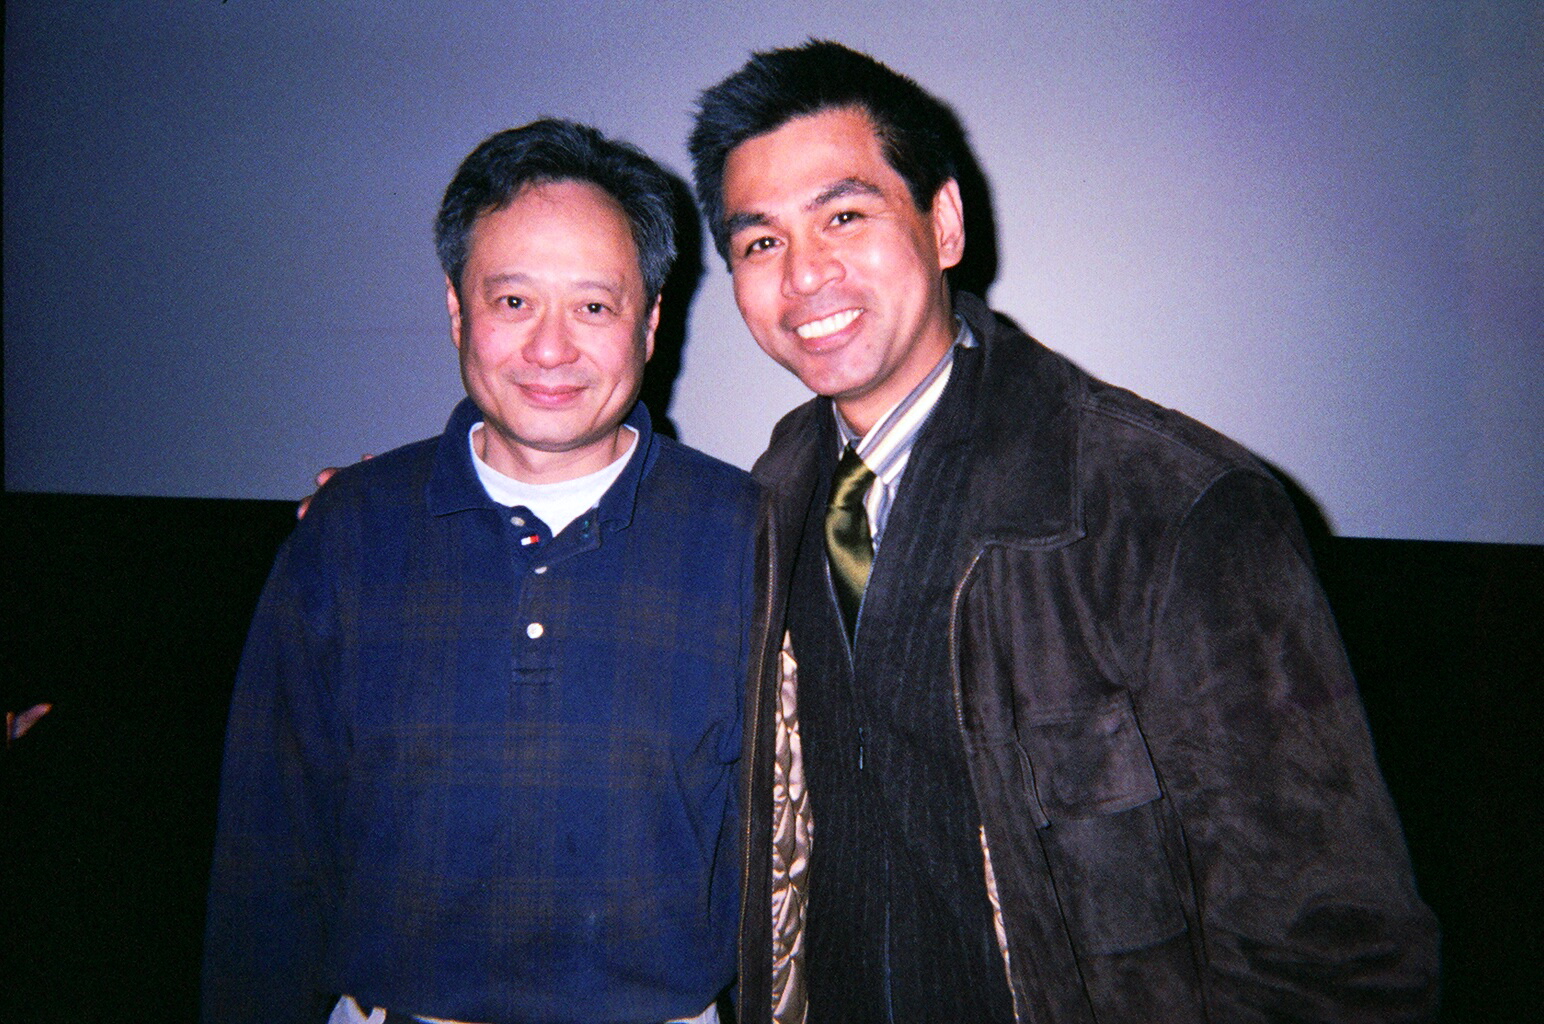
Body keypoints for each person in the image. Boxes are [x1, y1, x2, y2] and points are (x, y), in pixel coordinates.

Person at [688, 41, 1440, 1023]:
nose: (804, 273)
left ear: (942, 222)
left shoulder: (1169, 506)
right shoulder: (772, 495)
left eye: (843, 215)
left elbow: (1332, 946)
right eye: (759, 243)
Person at [203, 119, 754, 1024]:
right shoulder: (350, 533)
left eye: (595, 305)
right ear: (457, 311)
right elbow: (268, 850)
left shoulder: (747, 536)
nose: (550, 350)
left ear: (651, 322)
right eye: (512, 303)